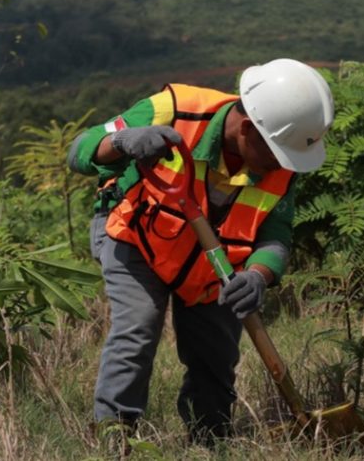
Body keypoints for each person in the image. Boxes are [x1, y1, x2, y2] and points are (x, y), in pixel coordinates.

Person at [67, 59, 335, 447]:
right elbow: (79, 151)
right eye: (275, 154)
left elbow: (276, 233)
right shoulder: (173, 109)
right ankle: (114, 438)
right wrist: (122, 141)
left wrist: (258, 275)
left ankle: (210, 442)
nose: (281, 165)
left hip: (213, 262)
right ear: (247, 129)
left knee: (215, 351)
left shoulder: (282, 157)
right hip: (135, 235)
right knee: (139, 326)